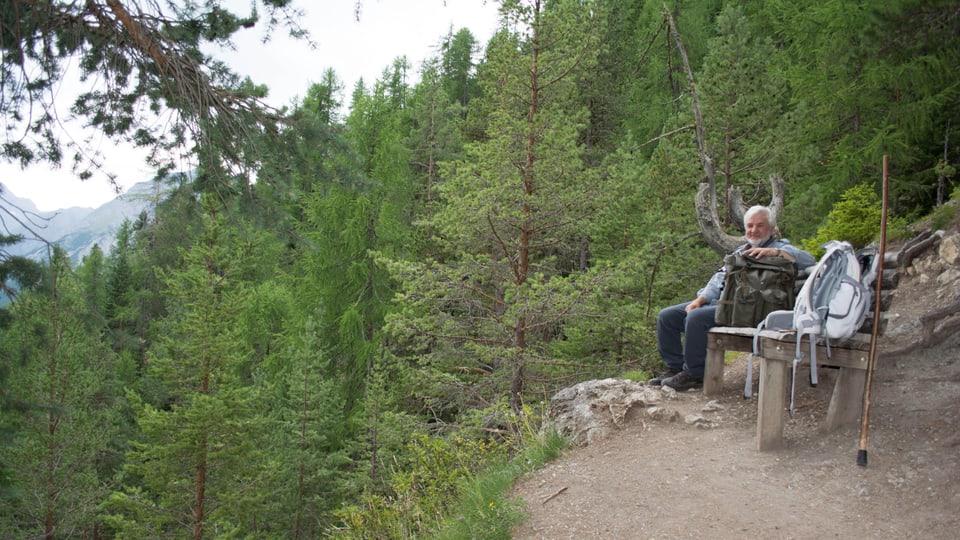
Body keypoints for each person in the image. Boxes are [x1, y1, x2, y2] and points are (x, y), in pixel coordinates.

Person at [650, 205, 816, 391]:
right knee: (668, 316)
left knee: (696, 318)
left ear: (770, 228)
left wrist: (775, 253)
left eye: (759, 226)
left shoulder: (781, 247)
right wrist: (701, 300)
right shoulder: (740, 252)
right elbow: (718, 279)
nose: (754, 230)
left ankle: (695, 374)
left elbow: (809, 260)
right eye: (750, 226)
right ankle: (675, 367)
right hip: (726, 304)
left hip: (753, 311)